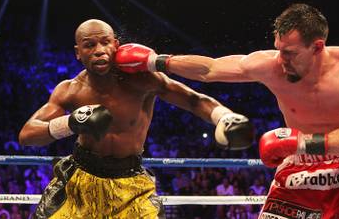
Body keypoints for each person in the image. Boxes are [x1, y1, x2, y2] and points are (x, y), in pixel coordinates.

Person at [114, 3, 339, 218]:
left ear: (317, 47)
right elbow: (211, 70)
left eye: (290, 53)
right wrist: (155, 61)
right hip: (302, 167)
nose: (281, 60)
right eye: (278, 49)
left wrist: (303, 143)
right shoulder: (271, 65)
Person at [18, 19, 254, 219]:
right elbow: (27, 135)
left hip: (130, 181)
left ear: (116, 45)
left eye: (105, 42)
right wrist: (70, 123)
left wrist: (224, 117)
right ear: (78, 53)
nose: (99, 50)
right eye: (89, 45)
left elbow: (193, 100)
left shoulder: (143, 80)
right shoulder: (70, 90)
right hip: (79, 179)